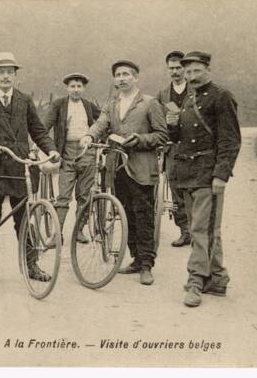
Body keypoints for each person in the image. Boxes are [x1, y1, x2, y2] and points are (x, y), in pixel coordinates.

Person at [0, 52, 60, 284]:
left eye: (10, 72)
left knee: (23, 218)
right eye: (1, 72)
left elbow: (38, 130)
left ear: (15, 75)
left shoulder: (24, 100)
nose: (6, 76)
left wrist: (51, 150)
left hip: (19, 168)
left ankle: (31, 265)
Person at [80, 60, 168, 286]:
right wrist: (90, 136)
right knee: (125, 214)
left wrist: (140, 140)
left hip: (141, 167)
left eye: (126, 74)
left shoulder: (149, 103)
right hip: (117, 167)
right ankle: (136, 259)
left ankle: (147, 264)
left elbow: (161, 135)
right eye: (118, 75)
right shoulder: (112, 104)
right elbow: (101, 125)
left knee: (144, 215)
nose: (121, 78)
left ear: (136, 77)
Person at [170, 51, 241, 307]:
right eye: (187, 72)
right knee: (207, 229)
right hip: (188, 174)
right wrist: (172, 125)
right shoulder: (189, 98)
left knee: (201, 229)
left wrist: (222, 174)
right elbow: (179, 138)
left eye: (196, 71)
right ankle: (218, 279)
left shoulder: (222, 96)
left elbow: (230, 140)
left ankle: (196, 281)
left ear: (207, 70)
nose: (191, 76)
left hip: (208, 174)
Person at [44, 72, 101, 243]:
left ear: (83, 88)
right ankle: (57, 233)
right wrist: (41, 146)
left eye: (79, 86)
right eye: (72, 86)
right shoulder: (59, 104)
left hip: (87, 152)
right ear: (67, 88)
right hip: (66, 152)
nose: (76, 90)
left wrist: (102, 140)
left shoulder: (89, 106)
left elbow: (102, 123)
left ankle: (79, 230)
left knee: (84, 195)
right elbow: (45, 126)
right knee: (63, 195)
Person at [156, 50, 192, 247]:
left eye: (179, 67)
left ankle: (198, 231)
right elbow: (158, 120)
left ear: (185, 68)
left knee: (194, 189)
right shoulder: (163, 94)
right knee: (175, 189)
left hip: (194, 150)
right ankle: (184, 231)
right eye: (171, 68)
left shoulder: (195, 90)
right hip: (172, 149)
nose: (175, 72)